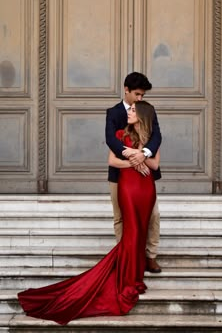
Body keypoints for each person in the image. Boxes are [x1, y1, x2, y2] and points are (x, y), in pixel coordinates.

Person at [17, 100, 160, 325]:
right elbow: (112, 160)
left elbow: (154, 165)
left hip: (146, 189)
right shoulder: (121, 134)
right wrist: (134, 159)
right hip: (128, 187)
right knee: (131, 233)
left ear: (141, 115)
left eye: (133, 110)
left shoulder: (152, 139)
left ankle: (135, 274)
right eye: (130, 108)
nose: (129, 112)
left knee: (140, 232)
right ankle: (127, 279)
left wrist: (142, 154)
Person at [106, 72, 162, 273]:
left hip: (146, 175)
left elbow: (156, 137)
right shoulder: (113, 113)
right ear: (126, 90)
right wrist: (132, 156)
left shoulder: (148, 111)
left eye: (142, 95)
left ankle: (150, 256)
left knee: (153, 216)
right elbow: (110, 140)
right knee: (120, 216)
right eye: (137, 94)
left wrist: (144, 154)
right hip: (120, 175)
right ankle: (125, 255)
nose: (140, 98)